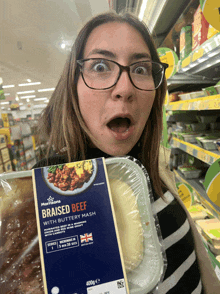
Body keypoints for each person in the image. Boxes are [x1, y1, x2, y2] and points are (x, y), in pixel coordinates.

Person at [33, 11, 220, 294]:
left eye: (141, 69)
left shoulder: (149, 167)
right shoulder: (52, 193)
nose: (124, 88)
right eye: (99, 67)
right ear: (73, 84)